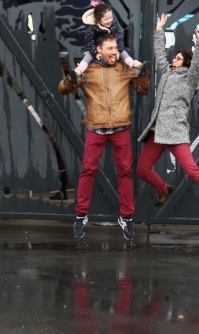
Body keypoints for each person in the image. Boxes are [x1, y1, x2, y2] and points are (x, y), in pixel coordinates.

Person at [136, 14, 199, 217]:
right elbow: (160, 54)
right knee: (142, 170)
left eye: (178, 59)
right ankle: (163, 188)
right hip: (157, 132)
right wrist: (159, 30)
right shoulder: (166, 73)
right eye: (175, 57)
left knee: (192, 170)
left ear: (185, 64)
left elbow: (197, 66)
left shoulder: (190, 81)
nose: (174, 60)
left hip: (176, 133)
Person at [59, 33, 150, 241]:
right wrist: (71, 77)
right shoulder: (88, 69)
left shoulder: (123, 68)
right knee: (88, 171)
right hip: (96, 127)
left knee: (125, 172)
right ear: (98, 50)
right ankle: (81, 215)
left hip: (120, 128)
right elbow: (63, 89)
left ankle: (126, 217)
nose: (115, 52)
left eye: (116, 48)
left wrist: (142, 73)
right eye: (110, 48)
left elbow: (143, 90)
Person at [73, 2, 141, 77]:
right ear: (98, 20)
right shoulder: (92, 28)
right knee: (88, 56)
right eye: (106, 19)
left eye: (111, 17)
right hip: (97, 48)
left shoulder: (113, 23)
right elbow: (89, 42)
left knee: (124, 53)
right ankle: (79, 70)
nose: (110, 20)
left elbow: (119, 36)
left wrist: (118, 49)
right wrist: (95, 53)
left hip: (112, 47)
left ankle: (133, 65)